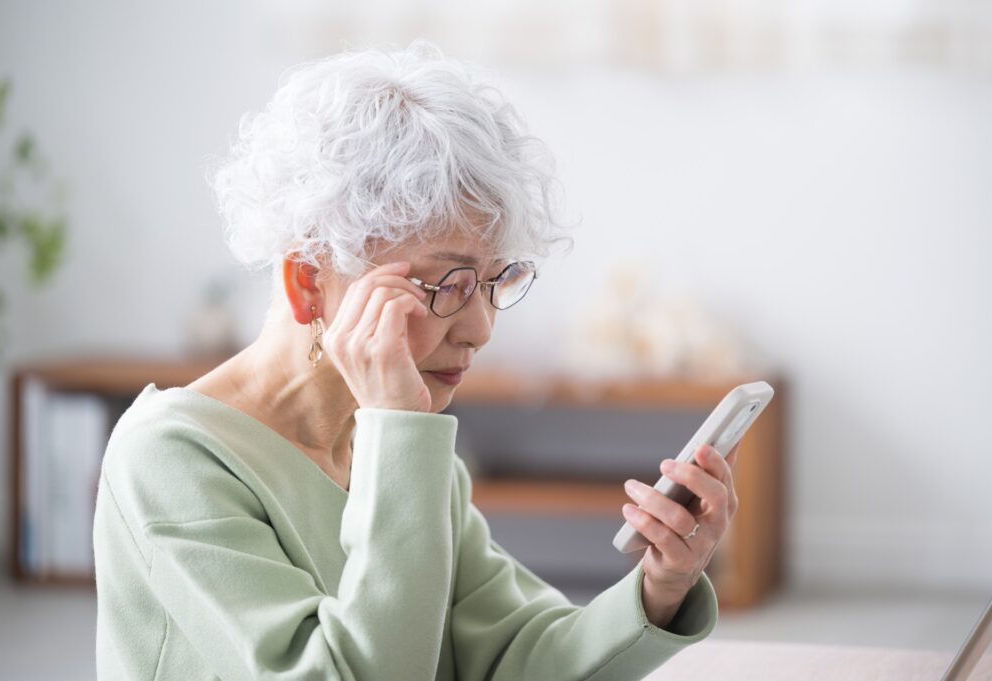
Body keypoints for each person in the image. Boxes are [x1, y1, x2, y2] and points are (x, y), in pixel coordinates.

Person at [92, 40, 740, 681]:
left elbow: (515, 653)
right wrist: (401, 435)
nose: (481, 327)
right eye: (446, 286)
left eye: (493, 281)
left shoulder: (401, 449)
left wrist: (662, 584)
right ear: (308, 282)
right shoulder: (170, 457)